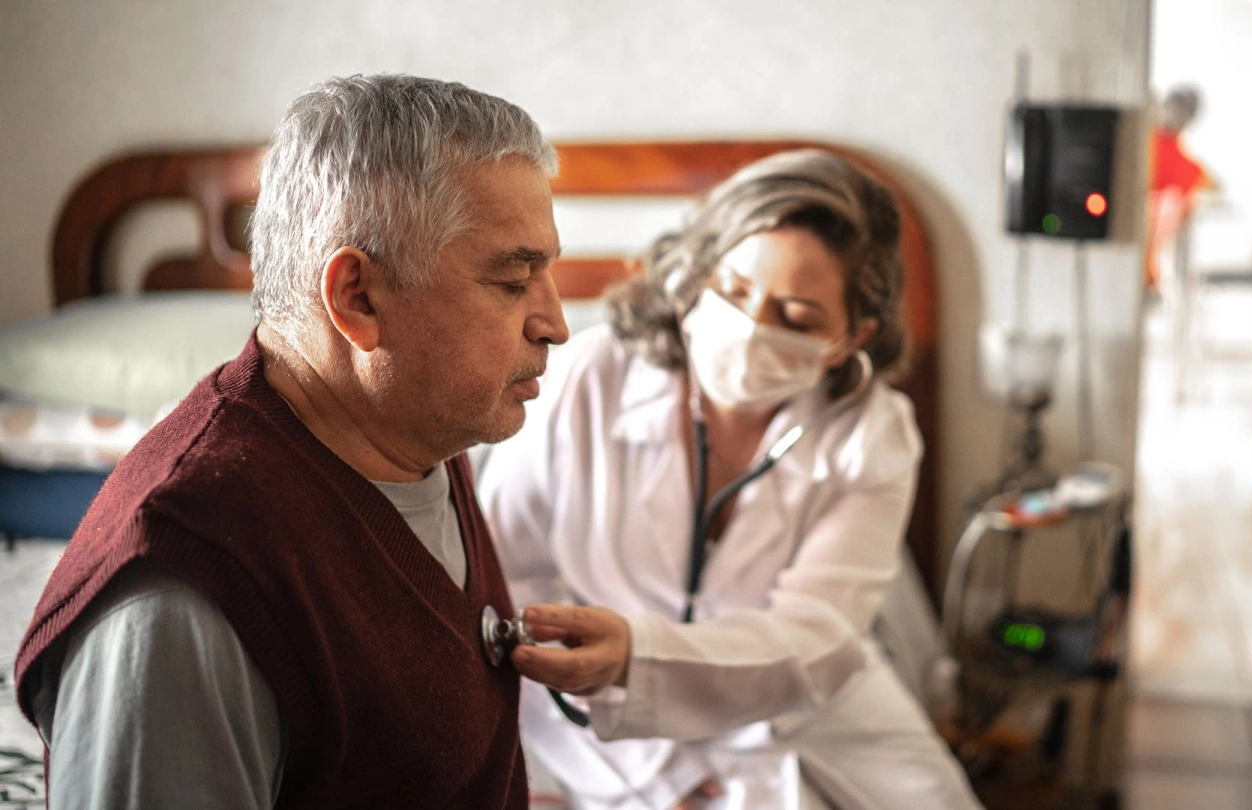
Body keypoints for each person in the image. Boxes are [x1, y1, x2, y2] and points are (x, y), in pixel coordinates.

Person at [13, 74, 570, 808]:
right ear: (358, 299)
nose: (556, 323)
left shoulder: (413, 422)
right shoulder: (186, 592)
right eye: (512, 281)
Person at [479, 149, 982, 809]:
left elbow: (818, 631)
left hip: (809, 704)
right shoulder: (588, 380)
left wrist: (642, 652)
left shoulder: (872, 431)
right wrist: (658, 777)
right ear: (698, 270)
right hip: (606, 707)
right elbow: (505, 589)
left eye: (797, 319)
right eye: (735, 290)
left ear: (850, 338)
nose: (750, 330)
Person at [1145, 85, 1213, 291]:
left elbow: (1210, 192)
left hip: (1143, 262)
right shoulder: (1135, 137)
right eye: (1174, 106)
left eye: (1183, 111)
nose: (1175, 114)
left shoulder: (1189, 170)